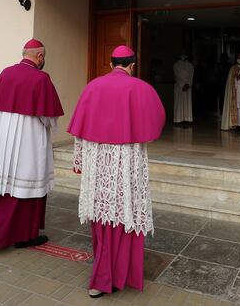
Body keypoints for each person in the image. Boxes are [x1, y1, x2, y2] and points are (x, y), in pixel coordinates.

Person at [68, 45, 165, 298]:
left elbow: (79, 130)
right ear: (132, 65)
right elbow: (156, 125)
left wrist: (80, 160)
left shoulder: (93, 87)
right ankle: (119, 275)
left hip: (99, 166)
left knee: (103, 216)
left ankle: (105, 275)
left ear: (111, 64)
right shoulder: (142, 88)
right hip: (128, 165)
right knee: (127, 212)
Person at [0, 39, 63, 249]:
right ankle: (25, 235)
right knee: (27, 187)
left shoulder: (5, 73)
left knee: (2, 186)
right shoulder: (41, 78)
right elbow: (48, 117)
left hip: (3, 141)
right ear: (40, 56)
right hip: (29, 142)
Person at [172, 53, 194, 126]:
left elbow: (191, 76)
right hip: (179, 87)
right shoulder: (176, 65)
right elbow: (177, 76)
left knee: (187, 103)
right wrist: (183, 84)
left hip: (187, 86)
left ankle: (187, 119)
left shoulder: (190, 65)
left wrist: (188, 84)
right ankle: (178, 119)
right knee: (179, 103)